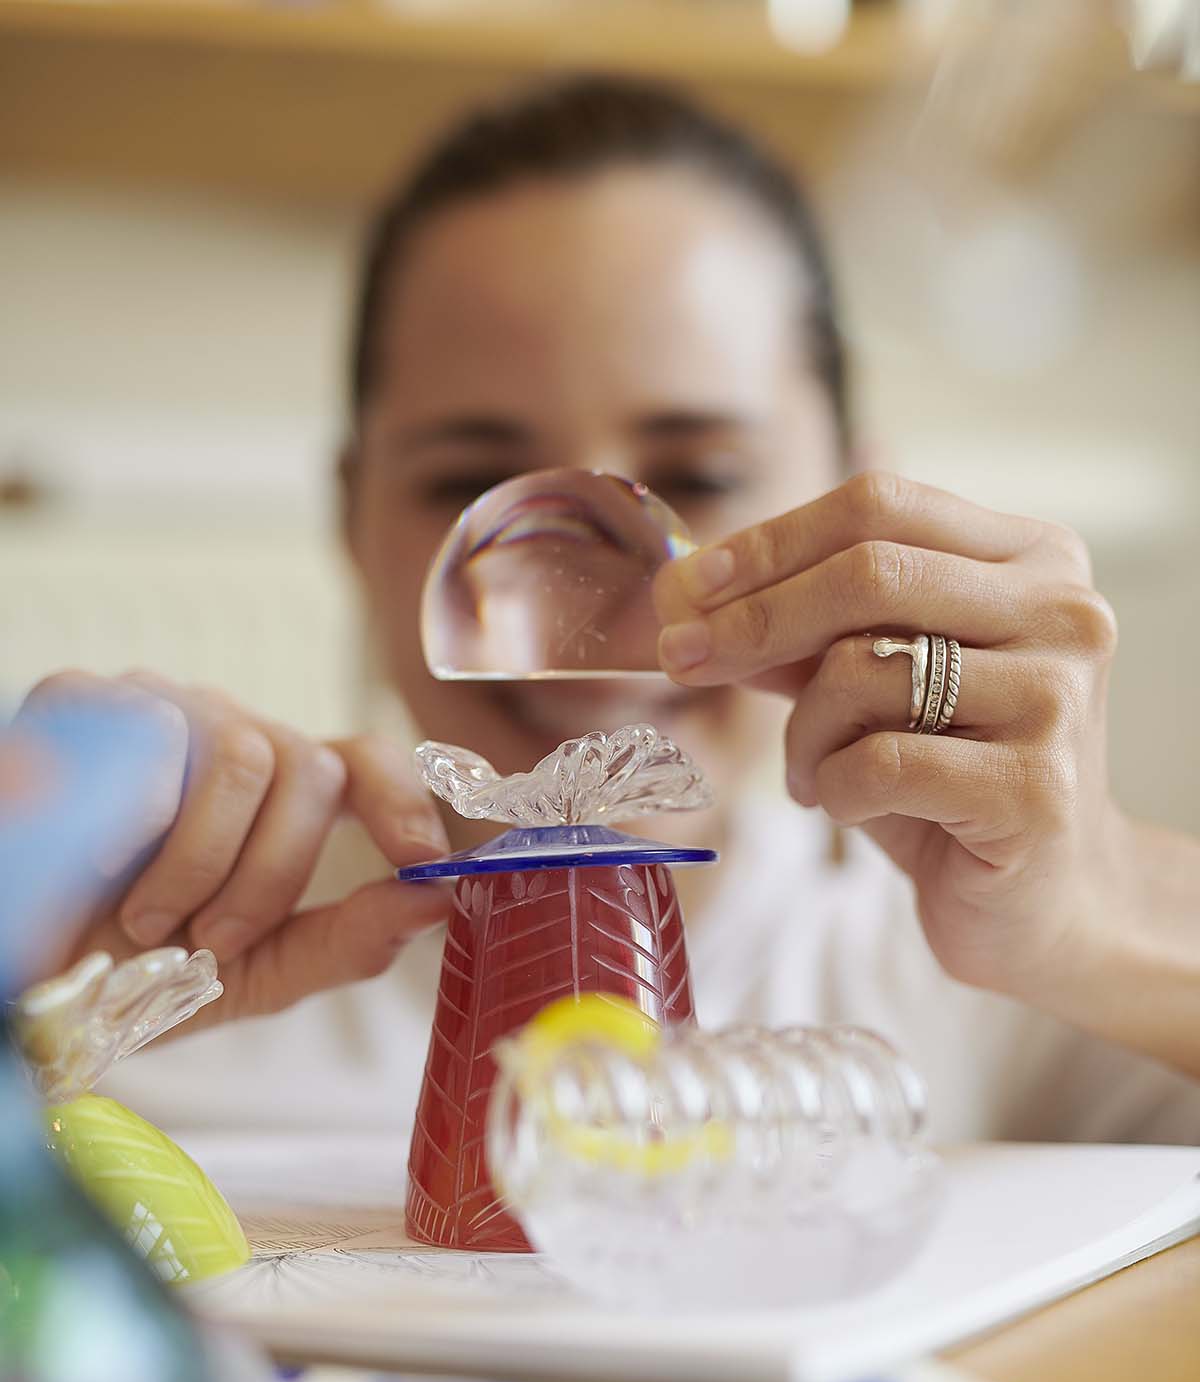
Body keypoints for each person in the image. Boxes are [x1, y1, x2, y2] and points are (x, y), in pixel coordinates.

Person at [19, 75, 1200, 1143]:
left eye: (698, 477)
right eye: (469, 484)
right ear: (351, 519)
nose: (579, 584)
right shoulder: (152, 961)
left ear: (855, 501)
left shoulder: (999, 975)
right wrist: (30, 1003)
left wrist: (1105, 921)